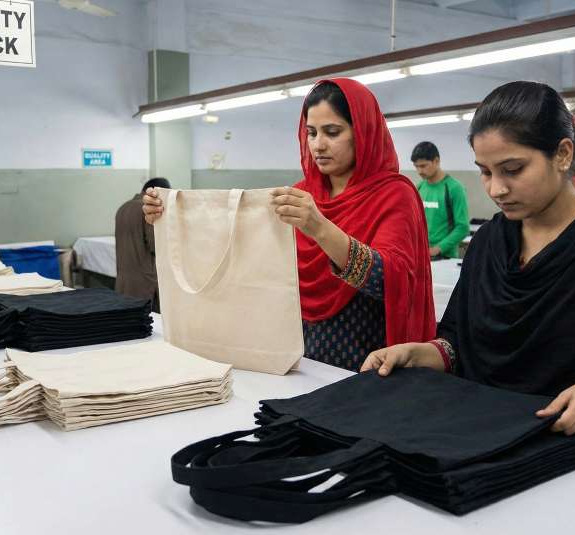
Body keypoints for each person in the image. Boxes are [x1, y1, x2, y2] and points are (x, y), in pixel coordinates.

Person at [360, 81, 575, 477]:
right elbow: (461, 345)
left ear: (563, 154)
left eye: (513, 170)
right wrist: (416, 354)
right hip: (483, 448)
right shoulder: (490, 243)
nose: (497, 188)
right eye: (485, 172)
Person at [143, 79, 436, 371]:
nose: (318, 144)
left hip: (364, 361)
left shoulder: (395, 195)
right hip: (296, 361)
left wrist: (321, 228)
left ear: (363, 132)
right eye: (311, 133)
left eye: (332, 132)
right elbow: (243, 255)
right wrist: (172, 218)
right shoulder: (300, 196)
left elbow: (393, 280)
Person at [115, 177, 169, 313]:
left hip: (125, 279)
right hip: (146, 282)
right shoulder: (147, 210)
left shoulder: (123, 207)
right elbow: (155, 245)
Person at [412, 142, 469, 259]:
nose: (419, 171)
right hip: (420, 255)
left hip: (444, 257)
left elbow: (462, 228)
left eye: (423, 166)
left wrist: (437, 249)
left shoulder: (455, 188)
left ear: (436, 161)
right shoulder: (418, 188)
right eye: (416, 166)